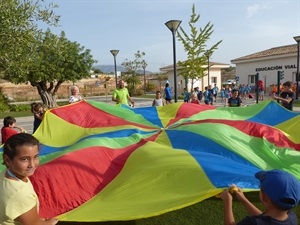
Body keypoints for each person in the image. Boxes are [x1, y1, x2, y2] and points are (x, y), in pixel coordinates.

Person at [0, 133, 59, 224]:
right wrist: (50, 223)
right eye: (24, 159)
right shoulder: (20, 194)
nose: (32, 165)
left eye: (35, 157)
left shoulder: (6, 173)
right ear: (8, 160)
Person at [220, 169, 300, 225]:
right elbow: (266, 219)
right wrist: (243, 199)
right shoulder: (292, 218)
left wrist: (228, 201)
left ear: (264, 197)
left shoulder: (253, 222)